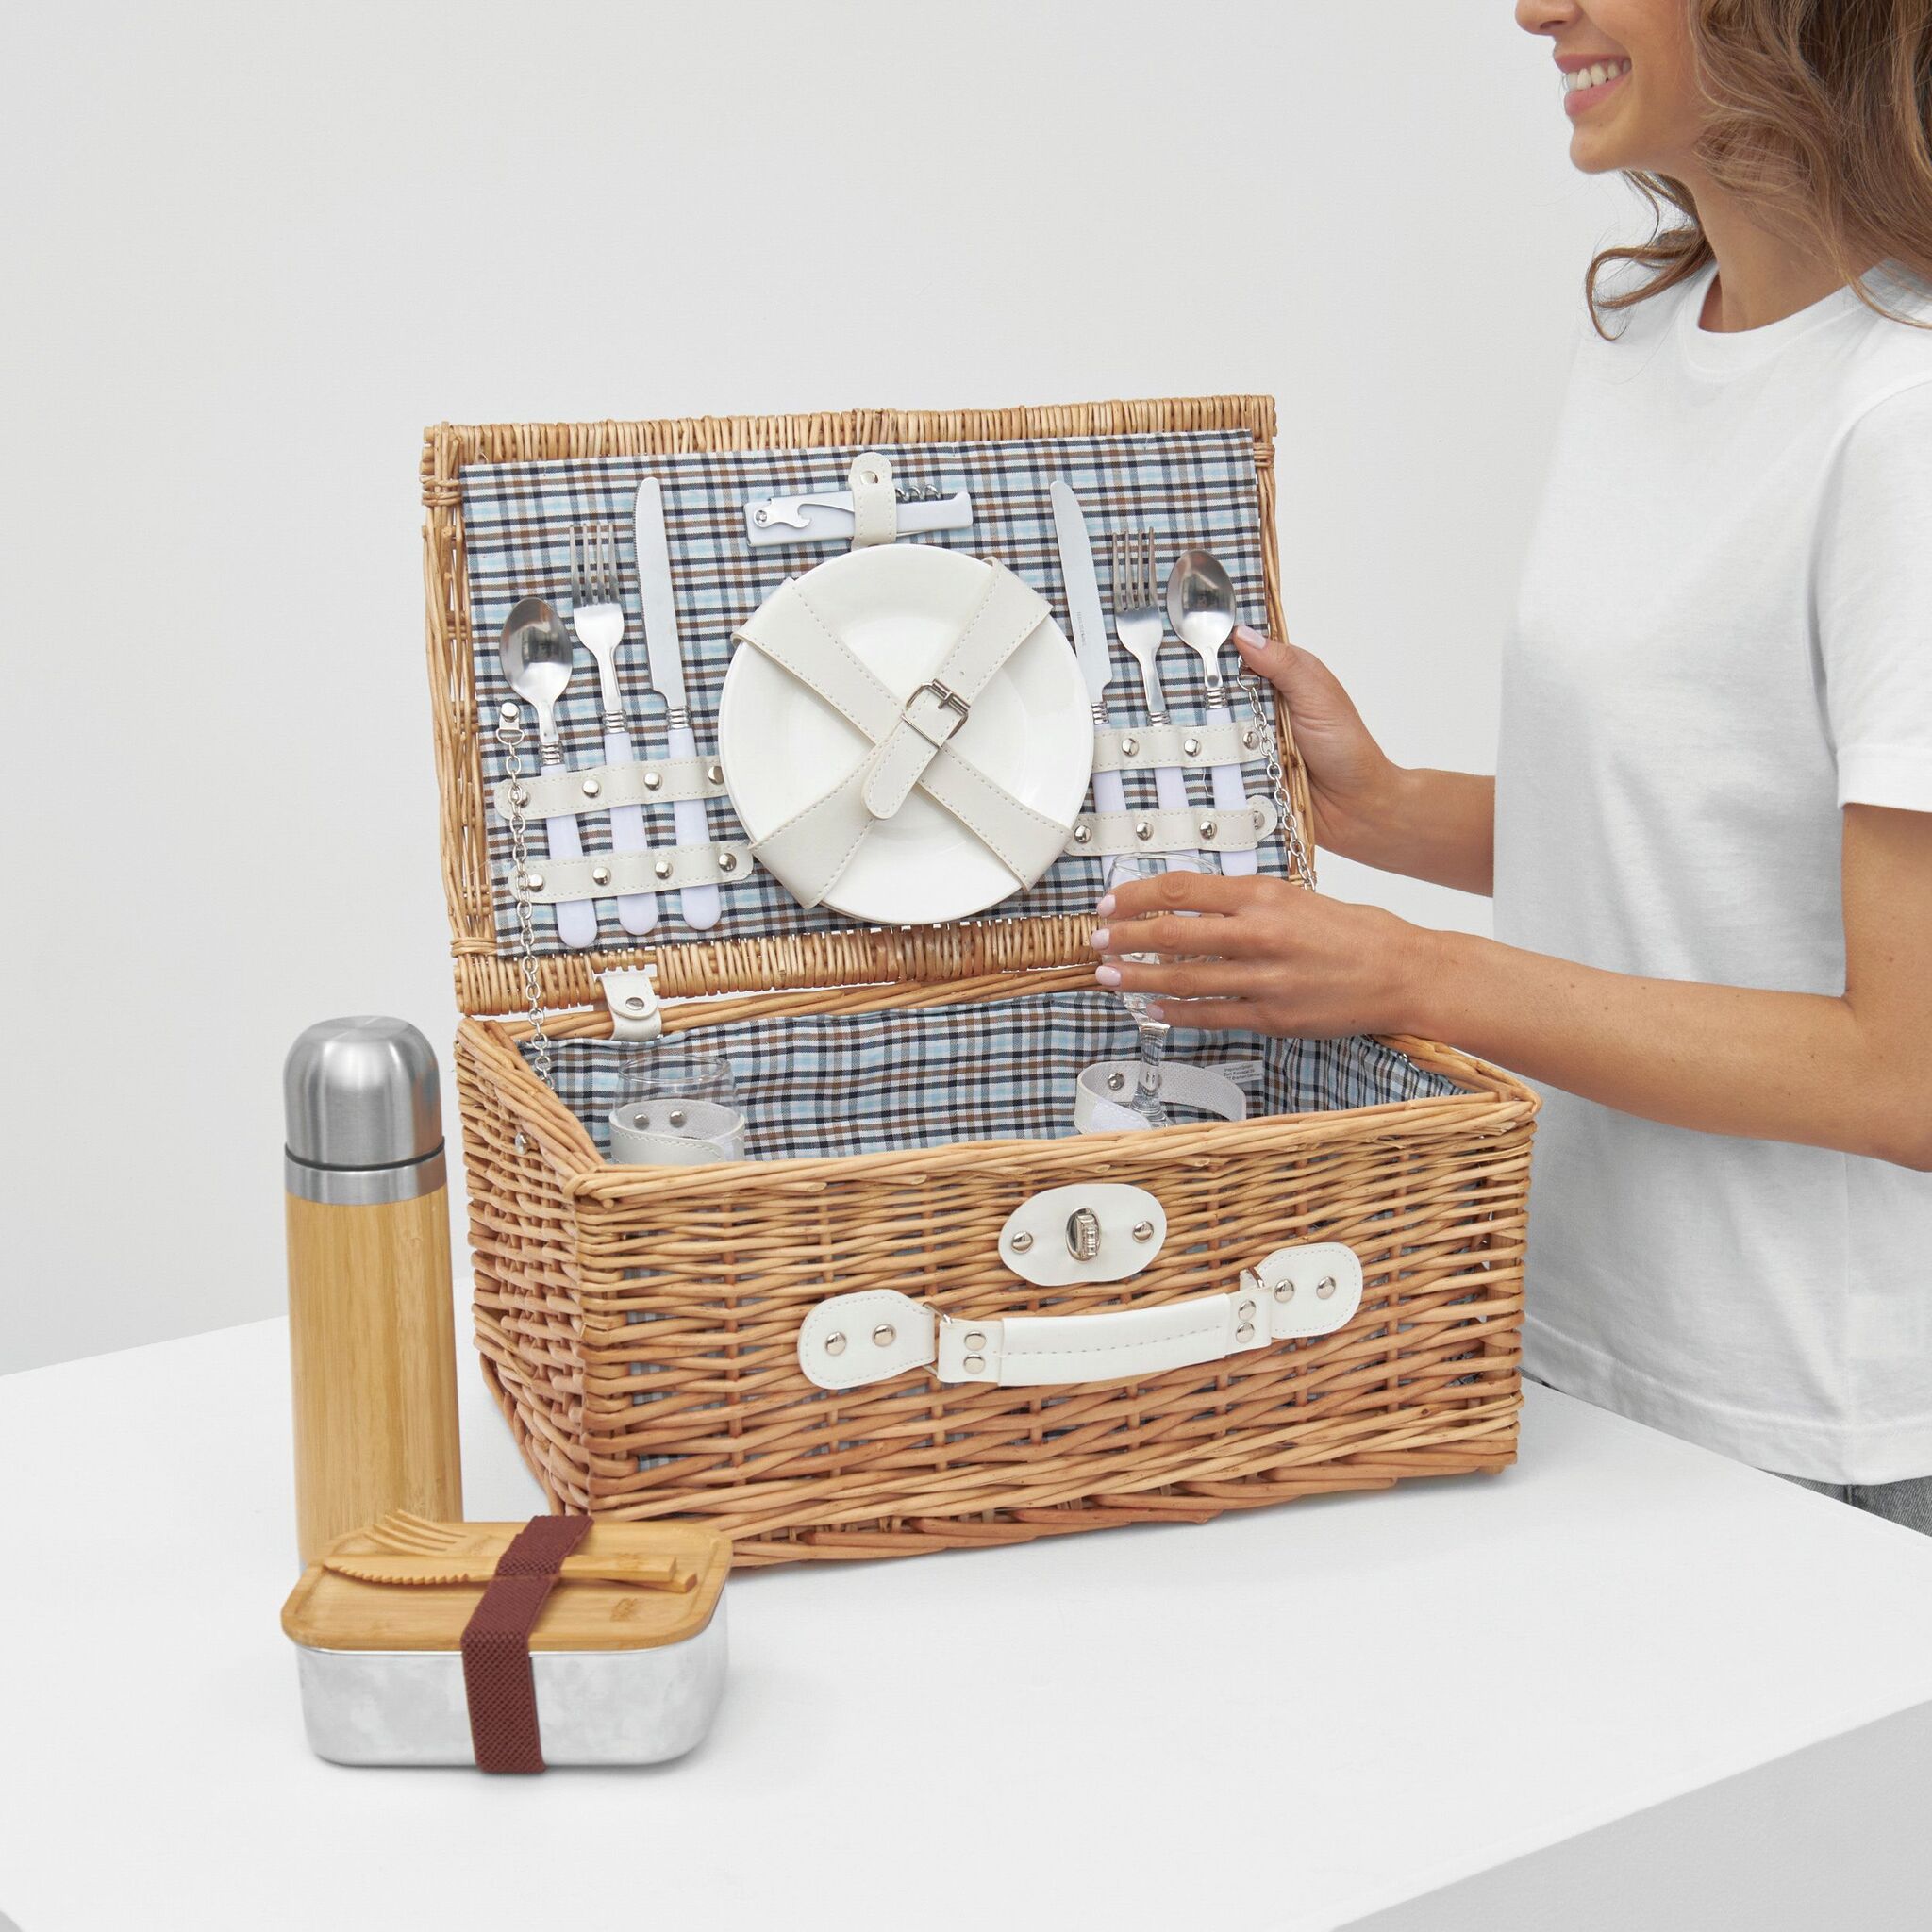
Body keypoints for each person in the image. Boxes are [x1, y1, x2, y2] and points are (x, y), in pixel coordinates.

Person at [1091, 0, 1932, 1532]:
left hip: (1816, 1421)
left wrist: (1417, 975)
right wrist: (1385, 807)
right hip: (1561, 1331)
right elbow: (1702, 823)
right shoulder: (1650, 338)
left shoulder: (1903, 418)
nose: (1538, 7)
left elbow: (1908, 1075)